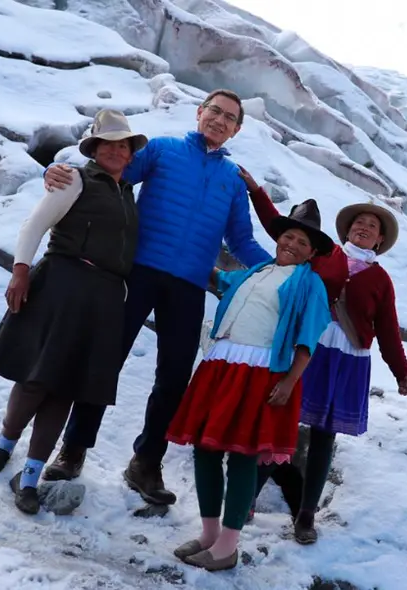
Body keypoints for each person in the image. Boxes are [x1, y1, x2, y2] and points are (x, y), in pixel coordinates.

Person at [39, 90, 271, 506]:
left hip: (188, 287)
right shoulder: (163, 150)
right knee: (104, 361)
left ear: (236, 130)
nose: (219, 120)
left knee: (174, 378)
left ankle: (146, 461)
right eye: (214, 111)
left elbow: (241, 240)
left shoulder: (233, 181)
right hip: (137, 272)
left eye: (229, 117)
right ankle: (73, 449)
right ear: (199, 112)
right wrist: (61, 173)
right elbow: (108, 172)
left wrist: (280, 272)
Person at [0, 110, 147, 515]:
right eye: (107, 144)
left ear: (130, 154)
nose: (115, 151)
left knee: (66, 388)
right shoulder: (73, 179)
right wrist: (20, 272)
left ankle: (31, 476)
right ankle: (5, 442)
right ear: (94, 148)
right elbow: (34, 225)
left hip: (103, 298)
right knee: (37, 377)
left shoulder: (128, 194)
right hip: (62, 283)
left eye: (123, 145)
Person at [240, 168, 407, 544]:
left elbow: (388, 330)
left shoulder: (381, 280)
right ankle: (246, 497)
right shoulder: (325, 255)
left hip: (348, 359)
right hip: (311, 349)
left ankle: (306, 515)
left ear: (380, 239)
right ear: (347, 230)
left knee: (324, 437)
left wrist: (402, 372)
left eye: (372, 225)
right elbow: (278, 228)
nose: (364, 227)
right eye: (359, 222)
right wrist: (256, 191)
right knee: (282, 420)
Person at [165, 200, 332, 572]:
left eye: (302, 243)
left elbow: (308, 339)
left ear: (312, 253)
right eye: (288, 236)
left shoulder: (310, 285)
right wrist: (191, 247)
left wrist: (290, 381)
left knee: (243, 456)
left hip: (262, 373)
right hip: (221, 365)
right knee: (205, 449)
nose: (292, 245)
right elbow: (221, 281)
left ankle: (227, 546)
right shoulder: (256, 271)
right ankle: (209, 534)